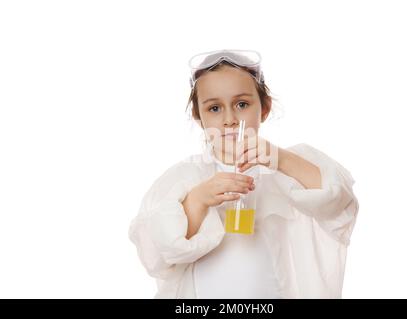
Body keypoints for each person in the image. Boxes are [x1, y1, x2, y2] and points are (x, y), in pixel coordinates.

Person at [129, 49, 359, 298]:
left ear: (264, 108)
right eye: (214, 108)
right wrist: (199, 199)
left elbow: (340, 206)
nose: (229, 119)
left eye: (242, 104)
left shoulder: (283, 169)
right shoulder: (184, 177)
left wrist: (281, 159)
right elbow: (155, 253)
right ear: (198, 115)